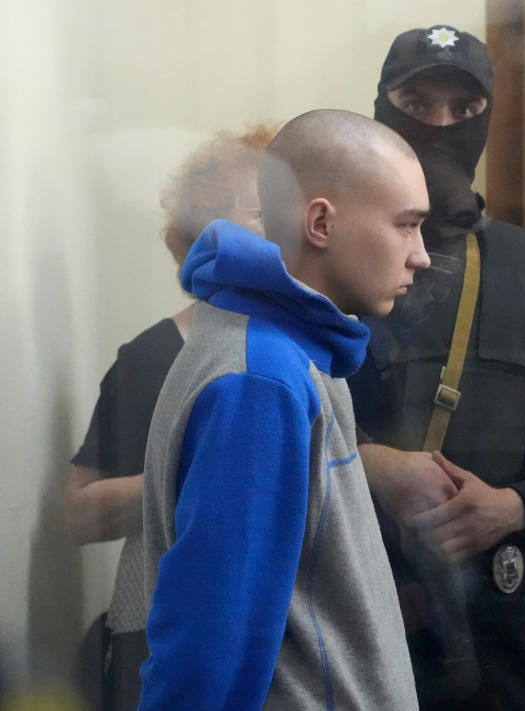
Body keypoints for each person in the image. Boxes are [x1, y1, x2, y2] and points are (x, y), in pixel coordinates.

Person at [350, 24, 525, 710]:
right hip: (370, 620)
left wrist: (511, 507)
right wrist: (369, 465)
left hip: (509, 624)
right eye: (418, 103)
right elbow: (279, 432)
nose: (439, 124)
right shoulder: (331, 259)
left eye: (464, 109)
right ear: (381, 109)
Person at [137, 109, 428, 710]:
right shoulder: (259, 377)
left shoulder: (294, 348)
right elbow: (209, 645)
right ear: (320, 222)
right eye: (406, 226)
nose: (420, 255)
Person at [63, 124, 274, 710]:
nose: (287, 231)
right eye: (263, 213)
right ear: (208, 234)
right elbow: (79, 513)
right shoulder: (155, 357)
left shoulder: (325, 353)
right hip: (165, 640)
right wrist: (189, 470)